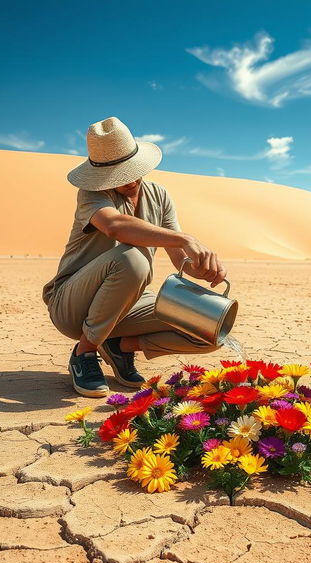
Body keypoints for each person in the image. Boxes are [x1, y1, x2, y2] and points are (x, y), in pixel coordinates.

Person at [42, 116, 227, 398]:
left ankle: (121, 346)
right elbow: (115, 226)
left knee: (209, 325)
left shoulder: (160, 195)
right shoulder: (92, 193)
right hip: (72, 304)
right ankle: (84, 352)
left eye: (129, 170)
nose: (128, 179)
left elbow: (180, 260)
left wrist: (204, 270)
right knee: (133, 259)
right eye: (117, 173)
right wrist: (186, 238)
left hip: (128, 304)